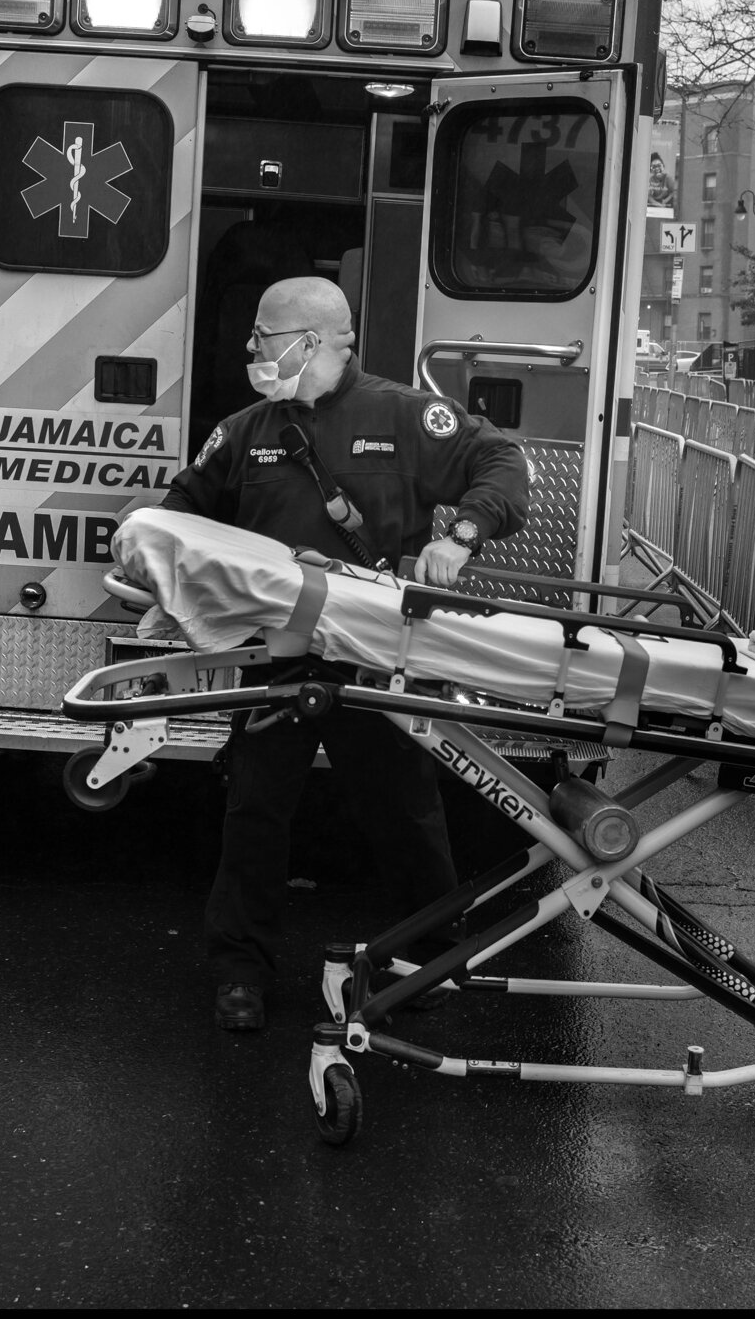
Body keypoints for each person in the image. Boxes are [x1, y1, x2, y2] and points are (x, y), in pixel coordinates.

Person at [160, 276, 529, 1031]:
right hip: (282, 656)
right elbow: (183, 513)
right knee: (254, 814)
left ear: (315, 341)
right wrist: (171, 582)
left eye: (265, 338)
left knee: (404, 813)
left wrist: (459, 538)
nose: (253, 351)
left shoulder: (402, 415)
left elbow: (503, 466)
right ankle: (241, 975)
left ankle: (426, 963)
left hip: (375, 653)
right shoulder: (245, 432)